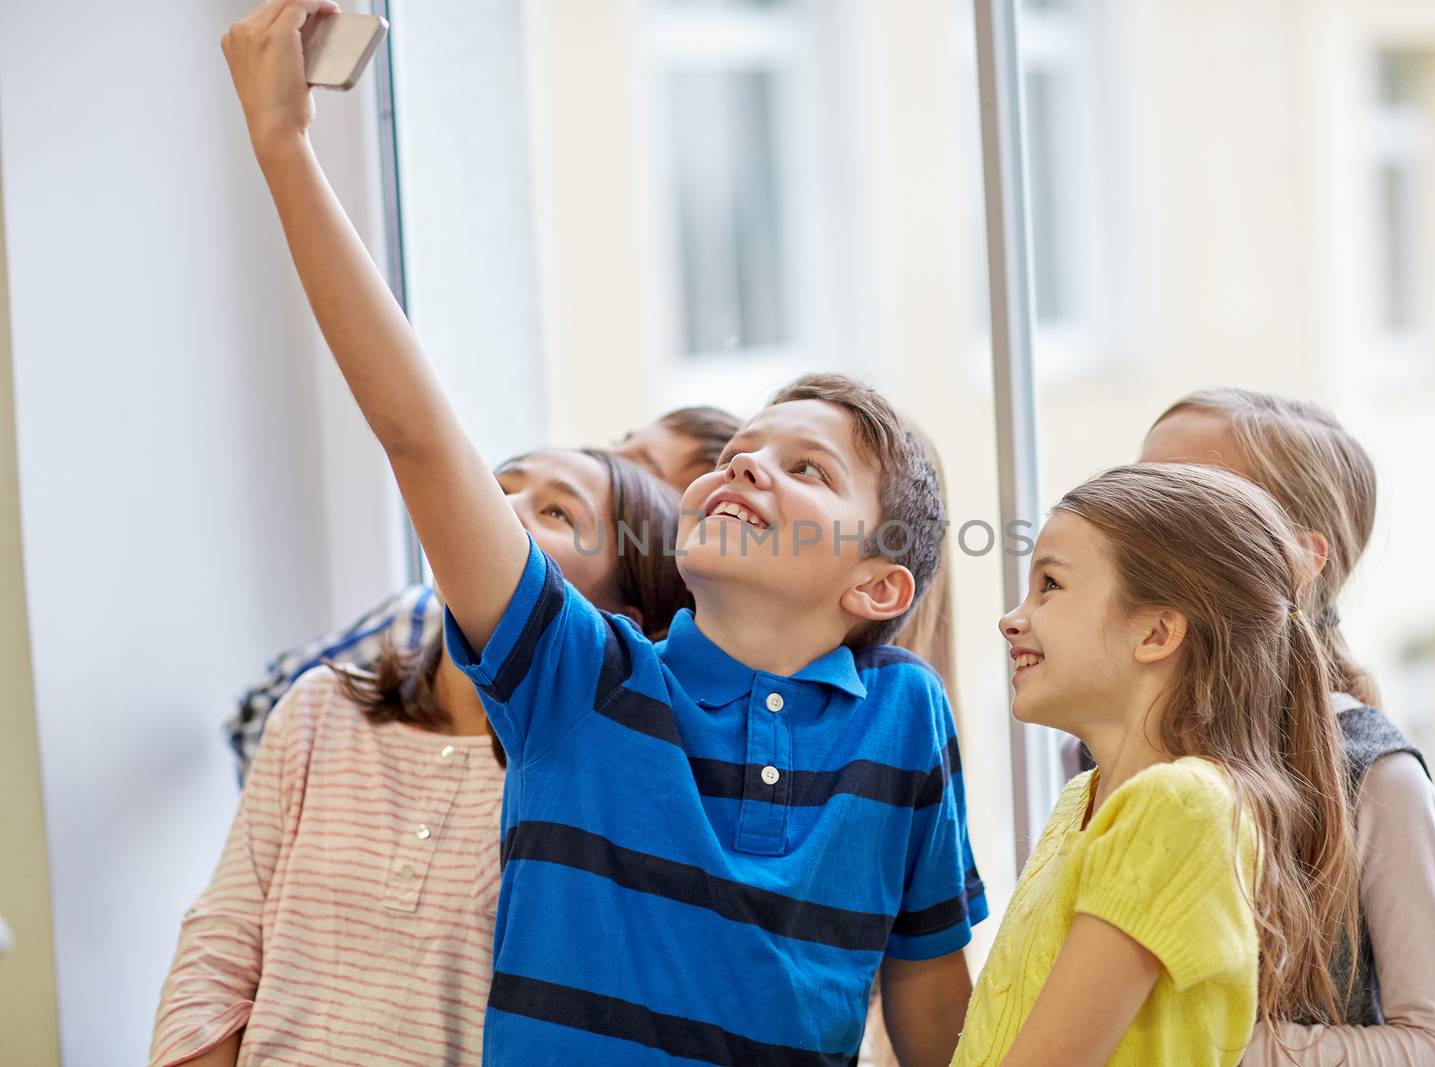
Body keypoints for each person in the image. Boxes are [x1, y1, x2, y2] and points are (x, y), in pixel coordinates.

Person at [220, 6, 983, 1062]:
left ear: (876, 588)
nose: (745, 463)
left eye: (806, 468)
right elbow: (417, 437)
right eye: (738, 450)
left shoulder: (907, 717)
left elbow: (932, 1001)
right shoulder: (580, 676)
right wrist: (284, 146)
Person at [149, 450, 691, 1066]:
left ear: (619, 626)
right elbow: (218, 944)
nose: (496, 510)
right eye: (497, 487)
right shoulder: (319, 708)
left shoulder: (590, 783)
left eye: (556, 510)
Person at [954, 463, 1361, 1065]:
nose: (1012, 618)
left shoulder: (1180, 806)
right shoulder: (1083, 800)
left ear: (1158, 631)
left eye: (1051, 587)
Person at [1141, 388, 1435, 1064]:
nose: (1135, 518)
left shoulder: (1376, 778)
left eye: (1184, 495)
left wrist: (1199, 1044)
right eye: (1139, 483)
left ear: (1295, 561)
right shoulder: (1092, 746)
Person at [225, 405, 740, 779]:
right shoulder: (323, 704)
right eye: (500, 484)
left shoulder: (580, 766)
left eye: (642, 470)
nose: (605, 459)